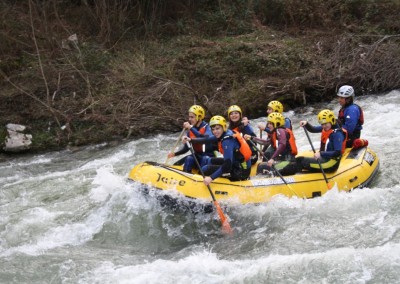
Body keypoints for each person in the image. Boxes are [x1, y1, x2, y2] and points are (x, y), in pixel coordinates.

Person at [186, 115, 252, 185]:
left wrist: (211, 178)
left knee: (205, 169)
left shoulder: (227, 140)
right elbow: (207, 139)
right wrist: (191, 140)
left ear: (223, 127)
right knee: (209, 160)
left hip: (240, 171)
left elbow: (227, 166)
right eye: (213, 129)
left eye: (217, 128)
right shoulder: (224, 133)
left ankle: (200, 183)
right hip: (235, 163)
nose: (215, 131)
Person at [167, 105, 215, 173]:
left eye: (192, 117)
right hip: (197, 156)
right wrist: (174, 154)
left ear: (199, 117)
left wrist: (190, 128)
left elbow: (205, 138)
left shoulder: (208, 128)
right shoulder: (191, 130)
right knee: (189, 158)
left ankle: (201, 177)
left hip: (208, 157)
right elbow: (186, 148)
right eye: (189, 117)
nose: (189, 119)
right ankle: (186, 177)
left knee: (205, 159)